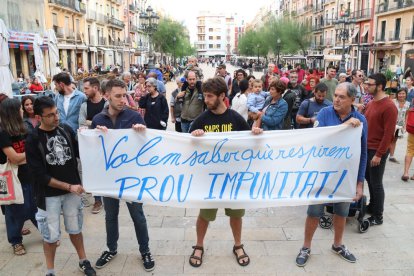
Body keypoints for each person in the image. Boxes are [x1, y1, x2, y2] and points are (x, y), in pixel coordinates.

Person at [188, 77, 262, 268]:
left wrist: (255, 134)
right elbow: (188, 147)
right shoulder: (201, 120)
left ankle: (238, 245)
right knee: (204, 215)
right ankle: (199, 245)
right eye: (205, 95)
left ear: (222, 96)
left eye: (210, 96)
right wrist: (194, 137)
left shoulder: (235, 118)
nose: (206, 99)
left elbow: (249, 143)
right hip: (210, 179)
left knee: (236, 214)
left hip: (233, 178)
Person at [295, 82, 367, 267]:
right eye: (335, 95)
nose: (336, 99)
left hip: (345, 176)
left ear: (352, 99)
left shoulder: (360, 120)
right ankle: (306, 246)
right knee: (314, 212)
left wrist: (359, 183)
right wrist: (344, 128)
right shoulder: (324, 114)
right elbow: (319, 140)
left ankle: (338, 244)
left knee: (342, 211)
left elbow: (363, 152)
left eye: (342, 97)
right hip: (322, 175)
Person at [25, 96, 96, 276]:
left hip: (72, 192)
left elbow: (82, 153)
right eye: (50, 115)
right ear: (39, 117)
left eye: (56, 112)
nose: (56, 117)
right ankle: (50, 271)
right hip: (48, 197)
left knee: (75, 229)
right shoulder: (32, 139)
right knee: (50, 237)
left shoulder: (65, 129)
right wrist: (68, 186)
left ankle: (83, 260)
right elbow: (39, 175)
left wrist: (94, 135)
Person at [91, 79, 154, 272]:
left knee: (138, 216)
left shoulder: (134, 116)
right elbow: (93, 152)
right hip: (110, 179)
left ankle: (145, 250)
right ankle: (111, 248)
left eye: (124, 95)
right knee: (111, 216)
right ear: (106, 95)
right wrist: (95, 136)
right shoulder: (98, 120)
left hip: (132, 178)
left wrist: (142, 133)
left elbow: (147, 149)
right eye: (118, 96)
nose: (123, 100)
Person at [0, 98, 38, 256]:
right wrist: (29, 155)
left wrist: (25, 156)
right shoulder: (2, 133)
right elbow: (14, 158)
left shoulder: (25, 128)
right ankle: (16, 241)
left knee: (35, 207)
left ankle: (47, 234)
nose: (23, 110)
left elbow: (28, 152)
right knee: (14, 211)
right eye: (20, 108)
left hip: (29, 174)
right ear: (13, 112)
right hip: (13, 178)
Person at [364, 73, 398, 225]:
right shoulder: (371, 103)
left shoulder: (389, 106)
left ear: (379, 86)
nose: (367, 86)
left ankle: (378, 216)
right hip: (367, 148)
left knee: (376, 183)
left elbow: (388, 133)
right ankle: (372, 206)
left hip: (377, 151)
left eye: (370, 84)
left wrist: (379, 154)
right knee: (369, 179)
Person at [78, 77, 106, 214]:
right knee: (93, 172)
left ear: (95, 88)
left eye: (86, 88)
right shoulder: (84, 105)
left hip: (106, 144)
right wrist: (97, 123)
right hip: (90, 145)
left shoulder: (106, 104)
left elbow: (109, 122)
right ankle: (97, 200)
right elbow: (82, 123)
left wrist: (92, 123)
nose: (84, 91)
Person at [388, 88, 410, 164]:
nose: (401, 95)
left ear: (406, 95)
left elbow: (407, 115)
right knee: (388, 139)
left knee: (394, 139)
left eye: (403, 93)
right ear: (397, 94)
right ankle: (383, 154)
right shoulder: (393, 102)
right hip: (391, 124)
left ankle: (391, 156)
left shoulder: (408, 104)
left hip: (400, 125)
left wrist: (405, 125)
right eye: (400, 93)